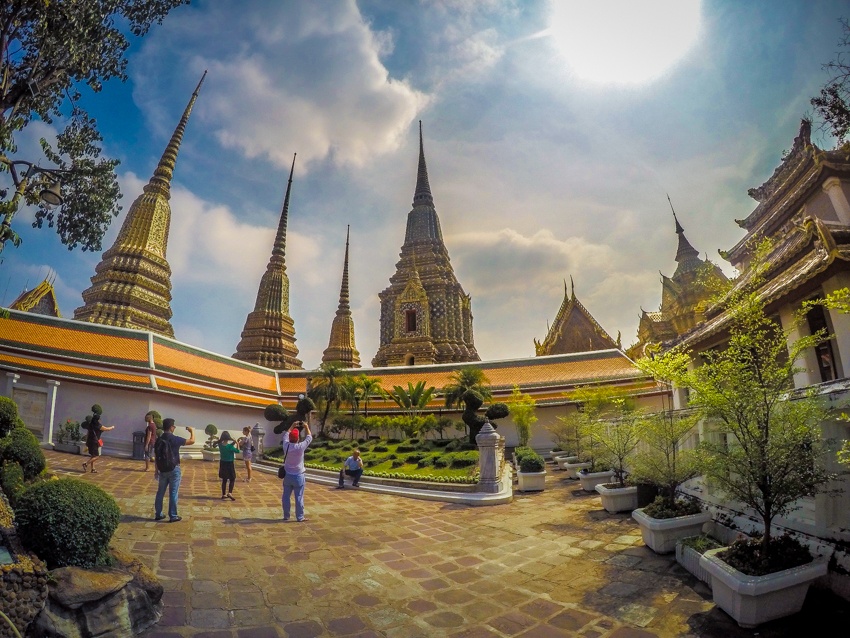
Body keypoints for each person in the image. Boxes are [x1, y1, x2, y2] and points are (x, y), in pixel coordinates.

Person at [154, 418, 195, 522]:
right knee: (173, 492)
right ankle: (173, 515)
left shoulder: (159, 439)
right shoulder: (174, 439)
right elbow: (192, 441)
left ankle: (158, 513)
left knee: (160, 492)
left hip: (162, 469)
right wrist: (192, 431)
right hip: (174, 468)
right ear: (172, 427)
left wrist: (156, 470)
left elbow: (156, 455)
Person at [281, 420, 312, 522]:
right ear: (298, 438)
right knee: (299, 497)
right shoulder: (300, 447)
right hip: (298, 475)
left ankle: (286, 515)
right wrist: (306, 426)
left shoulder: (286, 446)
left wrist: (292, 425)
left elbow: (285, 435)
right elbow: (309, 437)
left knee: (286, 496)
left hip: (287, 475)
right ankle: (300, 516)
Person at [218, 431, 239, 500]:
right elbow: (237, 451)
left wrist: (233, 442)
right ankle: (230, 492)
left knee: (224, 479)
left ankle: (223, 494)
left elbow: (227, 446)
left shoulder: (220, 445)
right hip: (230, 463)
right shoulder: (230, 447)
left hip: (223, 463)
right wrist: (237, 443)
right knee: (232, 478)